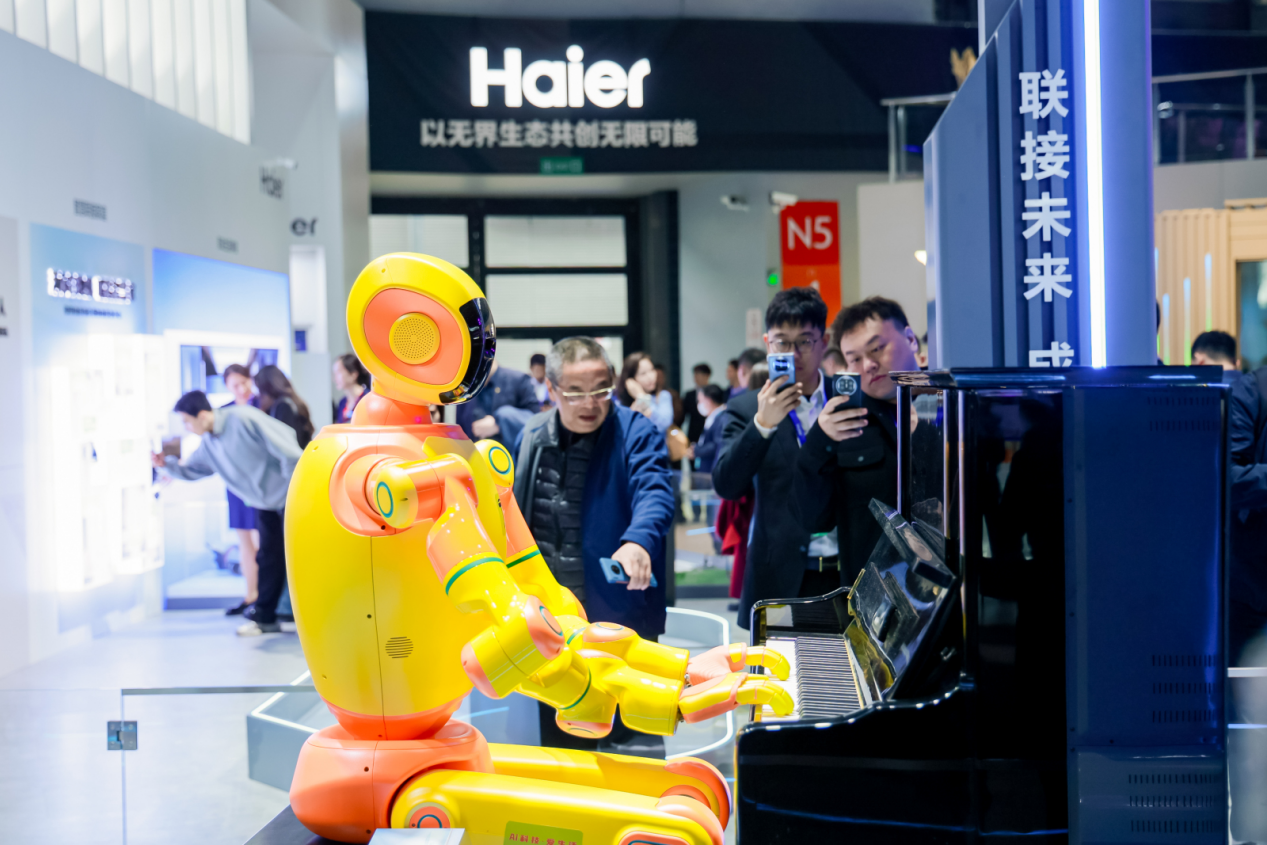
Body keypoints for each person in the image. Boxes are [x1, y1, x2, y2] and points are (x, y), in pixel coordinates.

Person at [513, 337, 675, 755]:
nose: (590, 404)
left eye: (601, 390)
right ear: (552, 389)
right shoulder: (531, 434)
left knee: (635, 743)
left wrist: (638, 542)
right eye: (575, 392)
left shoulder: (636, 431)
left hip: (619, 617)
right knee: (563, 749)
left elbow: (655, 491)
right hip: (552, 624)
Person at [712, 287, 840, 629]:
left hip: (848, 574)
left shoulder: (847, 399)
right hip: (778, 576)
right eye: (783, 342)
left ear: (824, 341)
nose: (793, 354)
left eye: (805, 341)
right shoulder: (745, 408)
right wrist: (762, 425)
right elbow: (726, 484)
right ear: (768, 343)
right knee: (775, 665)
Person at [795, 296, 921, 592]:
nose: (869, 365)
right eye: (854, 359)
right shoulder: (844, 425)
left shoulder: (951, 408)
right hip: (876, 598)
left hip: (955, 592)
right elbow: (812, 518)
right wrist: (819, 441)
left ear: (911, 339)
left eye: (877, 348)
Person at [153, 391, 303, 636]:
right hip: (265, 504)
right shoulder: (209, 444)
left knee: (301, 558)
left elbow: (288, 447)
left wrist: (296, 489)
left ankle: (315, 617)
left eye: (187, 421)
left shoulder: (243, 418)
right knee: (269, 559)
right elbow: (193, 470)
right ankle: (265, 618)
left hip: (292, 497)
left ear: (202, 416)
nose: (187, 428)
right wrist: (165, 465)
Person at [220, 363, 259, 617]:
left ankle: (266, 598)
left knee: (262, 541)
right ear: (227, 386)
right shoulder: (224, 413)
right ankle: (251, 595)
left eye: (244, 382)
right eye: (235, 385)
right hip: (236, 485)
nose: (241, 388)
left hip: (260, 484)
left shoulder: (262, 406)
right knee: (244, 541)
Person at [455, 358, 540, 447]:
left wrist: (499, 424)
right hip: (474, 453)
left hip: (511, 453)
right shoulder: (464, 391)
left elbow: (537, 423)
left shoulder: (519, 379)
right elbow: (461, 432)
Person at [256, 364, 315, 449]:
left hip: (295, 455)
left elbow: (284, 443)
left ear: (266, 388)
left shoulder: (283, 407)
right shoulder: (293, 401)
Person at [617, 352, 674, 434]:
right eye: (643, 373)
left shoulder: (663, 396)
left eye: (652, 370)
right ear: (631, 379)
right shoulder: (620, 403)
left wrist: (642, 396)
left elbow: (663, 425)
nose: (650, 377)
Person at [332, 353, 371, 424]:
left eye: (339, 372)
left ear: (353, 374)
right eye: (335, 373)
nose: (335, 378)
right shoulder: (342, 402)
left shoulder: (368, 399)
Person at [681, 363, 713, 444]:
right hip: (693, 435)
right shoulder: (689, 395)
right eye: (695, 374)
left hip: (710, 433)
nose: (696, 377)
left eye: (699, 374)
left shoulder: (714, 393)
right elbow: (683, 415)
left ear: (707, 376)